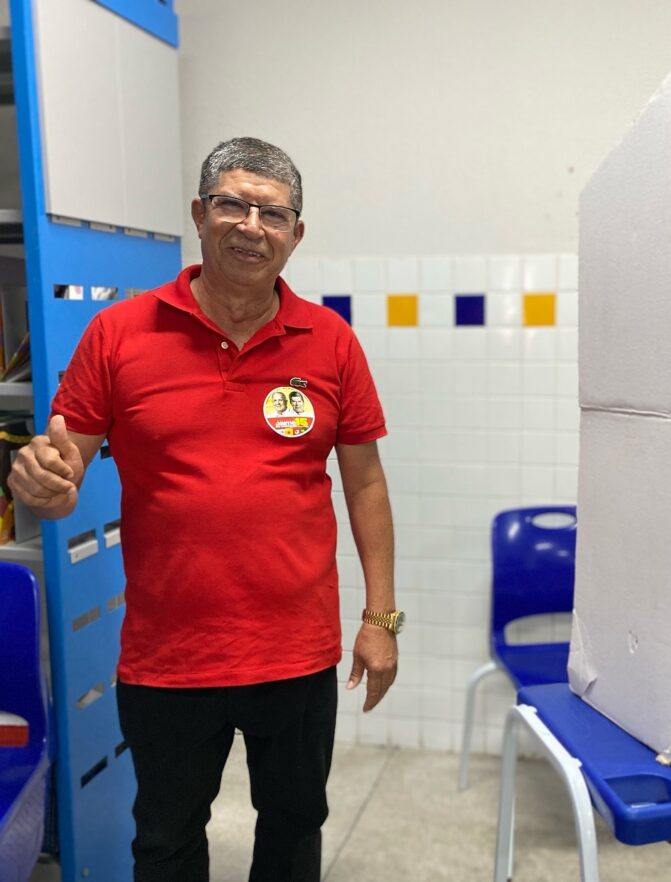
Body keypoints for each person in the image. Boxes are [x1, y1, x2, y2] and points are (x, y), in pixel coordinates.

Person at [8, 137, 402, 882]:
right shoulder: (119, 334)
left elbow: (366, 485)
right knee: (165, 841)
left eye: (273, 213)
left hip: (295, 652)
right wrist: (43, 484)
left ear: (296, 234)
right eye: (233, 204)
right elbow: (63, 471)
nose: (252, 226)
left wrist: (380, 619)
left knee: (293, 830)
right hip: (169, 656)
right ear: (199, 214)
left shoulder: (331, 341)